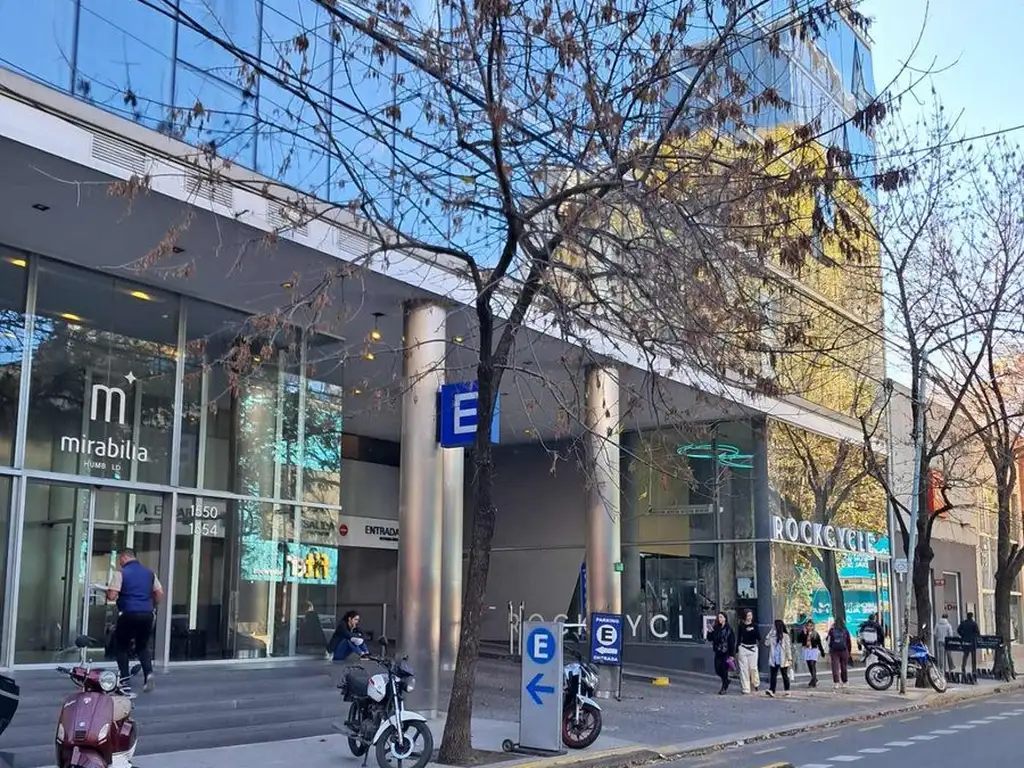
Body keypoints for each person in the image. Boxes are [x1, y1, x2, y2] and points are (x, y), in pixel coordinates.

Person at [106, 548, 163, 692]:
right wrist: (151, 605)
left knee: (121, 646)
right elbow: (159, 593)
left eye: (120, 559)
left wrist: (108, 592)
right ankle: (148, 674)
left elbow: (112, 596)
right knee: (142, 646)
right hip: (147, 614)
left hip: (129, 613)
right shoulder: (150, 573)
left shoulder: (121, 573)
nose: (119, 562)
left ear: (124, 557)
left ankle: (125, 679)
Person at [707, 612, 736, 694]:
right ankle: (726, 680)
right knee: (717, 669)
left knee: (724, 669)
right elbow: (710, 639)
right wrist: (710, 632)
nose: (719, 619)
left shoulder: (729, 629)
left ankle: (724, 687)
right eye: (718, 617)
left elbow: (731, 642)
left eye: (721, 617)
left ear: (725, 618)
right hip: (718, 651)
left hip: (726, 652)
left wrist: (732, 655)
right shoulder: (716, 628)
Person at [764, 619, 792, 697]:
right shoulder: (772, 636)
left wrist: (790, 658)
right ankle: (772, 690)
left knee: (784, 675)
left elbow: (788, 648)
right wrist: (770, 634)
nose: (773, 627)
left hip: (783, 658)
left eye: (774, 626)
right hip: (774, 659)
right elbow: (766, 643)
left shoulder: (785, 636)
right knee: (773, 675)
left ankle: (787, 690)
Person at [735, 610, 761, 694]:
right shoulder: (741, 626)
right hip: (743, 648)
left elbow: (759, 637)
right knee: (743, 669)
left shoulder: (755, 625)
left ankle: (755, 683)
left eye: (751, 615)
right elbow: (739, 637)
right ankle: (745, 688)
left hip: (753, 648)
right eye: (748, 615)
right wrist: (737, 649)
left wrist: (753, 630)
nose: (750, 617)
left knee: (753, 668)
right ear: (745, 616)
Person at [827, 617, 852, 691]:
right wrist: (849, 651)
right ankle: (845, 682)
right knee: (844, 666)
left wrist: (830, 649)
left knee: (835, 667)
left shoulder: (832, 630)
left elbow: (829, 641)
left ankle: (836, 683)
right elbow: (848, 642)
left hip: (834, 651)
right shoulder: (845, 630)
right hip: (844, 650)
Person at [798, 620, 824, 687]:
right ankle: (814, 678)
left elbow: (819, 643)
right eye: (808, 626)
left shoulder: (815, 633)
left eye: (811, 626)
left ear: (813, 626)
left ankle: (813, 681)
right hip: (806, 650)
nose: (809, 627)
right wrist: (804, 633)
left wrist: (822, 651)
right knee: (809, 665)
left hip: (813, 650)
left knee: (812, 664)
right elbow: (799, 640)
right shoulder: (804, 633)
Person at [957, 611, 981, 677]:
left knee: (965, 655)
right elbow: (978, 632)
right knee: (973, 656)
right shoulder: (974, 624)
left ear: (967, 616)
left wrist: (962, 635)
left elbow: (958, 630)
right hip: (972, 641)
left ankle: (963, 668)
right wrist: (975, 636)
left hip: (965, 641)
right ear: (972, 616)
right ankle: (974, 669)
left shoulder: (963, 623)